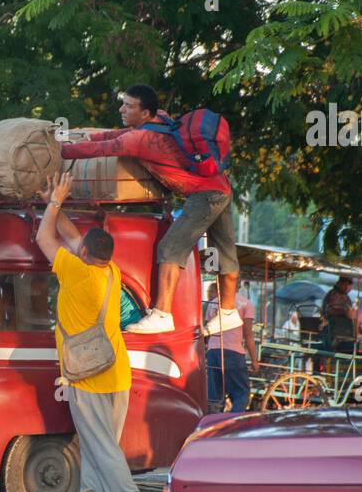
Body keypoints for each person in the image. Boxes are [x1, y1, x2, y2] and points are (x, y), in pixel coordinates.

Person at [62, 83, 242, 338]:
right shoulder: (161, 118)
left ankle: (162, 314)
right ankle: (229, 312)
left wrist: (60, 150)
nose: (122, 109)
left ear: (145, 113)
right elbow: (112, 137)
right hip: (221, 186)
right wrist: (84, 135)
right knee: (224, 252)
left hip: (204, 195)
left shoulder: (139, 139)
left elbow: (102, 148)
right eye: (123, 102)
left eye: (129, 106)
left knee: (170, 248)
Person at [36, 171, 155, 492]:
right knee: (96, 441)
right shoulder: (110, 272)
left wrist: (55, 203)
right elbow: (73, 237)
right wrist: (53, 202)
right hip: (115, 371)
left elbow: (44, 236)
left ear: (83, 255)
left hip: (86, 374)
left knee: (101, 445)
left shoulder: (76, 272)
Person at [204, 281, 257, 413]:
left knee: (215, 396)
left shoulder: (213, 303)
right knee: (241, 393)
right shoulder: (246, 303)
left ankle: (213, 427)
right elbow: (248, 335)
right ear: (238, 285)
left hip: (213, 351)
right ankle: (232, 424)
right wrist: (254, 360)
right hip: (233, 352)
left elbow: (207, 331)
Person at [321, 276, 358, 353]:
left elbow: (351, 314)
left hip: (345, 327)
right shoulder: (333, 294)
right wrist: (345, 311)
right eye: (344, 285)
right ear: (339, 284)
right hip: (334, 327)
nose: (346, 287)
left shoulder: (346, 296)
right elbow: (329, 310)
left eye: (348, 285)